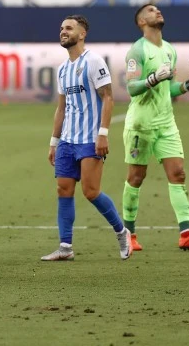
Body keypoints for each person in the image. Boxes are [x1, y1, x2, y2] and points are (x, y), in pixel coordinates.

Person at [122, 4, 189, 251]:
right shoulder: (137, 51)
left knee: (178, 174)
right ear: (141, 21)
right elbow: (131, 88)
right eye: (151, 10)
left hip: (166, 123)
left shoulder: (169, 50)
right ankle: (128, 235)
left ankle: (186, 233)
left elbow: (170, 89)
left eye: (158, 9)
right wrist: (153, 78)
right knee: (136, 177)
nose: (157, 11)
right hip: (141, 125)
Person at [44, 15, 133, 262]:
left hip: (90, 138)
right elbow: (61, 108)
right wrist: (54, 141)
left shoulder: (94, 62)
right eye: (61, 28)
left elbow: (108, 97)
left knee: (91, 192)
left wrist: (102, 134)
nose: (63, 31)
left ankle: (121, 231)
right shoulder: (62, 69)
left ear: (82, 34)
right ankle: (65, 247)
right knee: (64, 189)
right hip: (67, 141)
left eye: (69, 28)